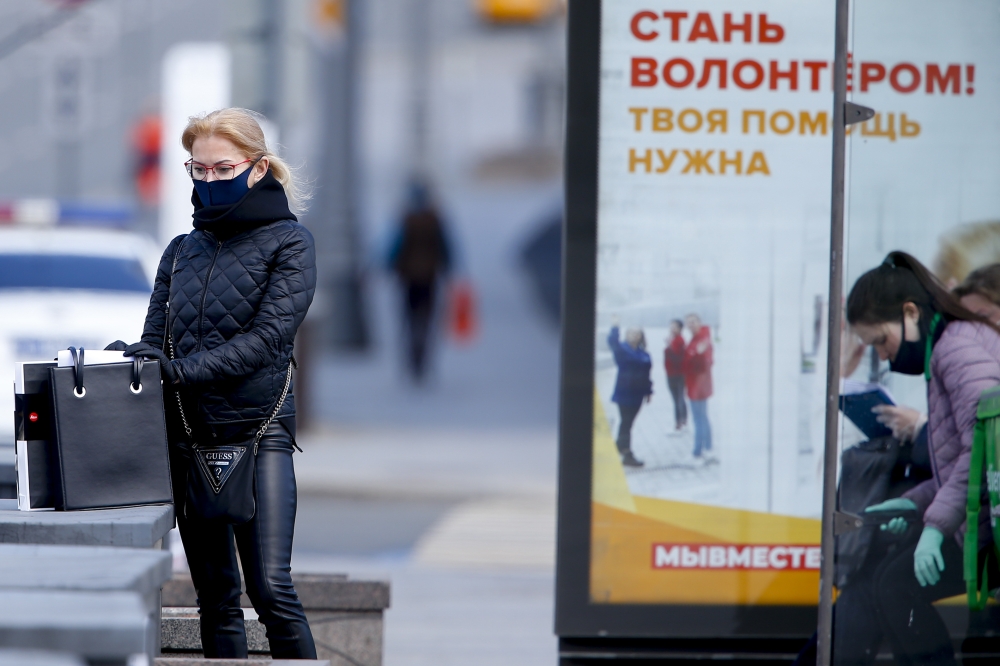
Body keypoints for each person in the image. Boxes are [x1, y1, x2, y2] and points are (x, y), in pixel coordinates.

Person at [116, 108, 317, 659]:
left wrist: (181, 371)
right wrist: (134, 361)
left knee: (271, 590)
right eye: (197, 170)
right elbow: (156, 340)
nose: (209, 180)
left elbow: (269, 338)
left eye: (221, 167)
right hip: (188, 437)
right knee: (217, 598)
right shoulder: (181, 251)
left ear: (256, 168)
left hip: (259, 433)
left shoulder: (290, 244)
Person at [837, 251, 1000, 665]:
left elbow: (983, 447)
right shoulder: (948, 347)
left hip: (988, 525)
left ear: (910, 313)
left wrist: (934, 525)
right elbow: (962, 458)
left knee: (895, 586)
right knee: (891, 584)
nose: (885, 357)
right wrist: (914, 502)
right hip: (983, 520)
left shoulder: (956, 350)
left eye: (880, 342)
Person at [388, 180, 453, 381]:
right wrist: (448, 269)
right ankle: (422, 359)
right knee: (426, 320)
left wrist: (390, 266)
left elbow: (395, 248)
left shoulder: (406, 221)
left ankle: (413, 359)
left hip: (408, 278)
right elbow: (445, 248)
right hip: (430, 278)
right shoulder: (436, 221)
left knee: (409, 321)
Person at [607, 322, 652, 467]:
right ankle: (627, 454)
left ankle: (618, 447)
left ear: (641, 337)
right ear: (626, 335)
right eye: (631, 332)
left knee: (628, 423)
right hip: (625, 394)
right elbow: (612, 342)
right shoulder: (622, 350)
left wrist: (649, 392)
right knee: (626, 423)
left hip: (638, 395)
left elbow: (647, 375)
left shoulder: (644, 353)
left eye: (637, 333)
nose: (635, 335)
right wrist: (615, 327)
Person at [683, 314, 714, 460]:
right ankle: (708, 447)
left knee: (698, 419)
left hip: (697, 386)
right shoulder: (699, 338)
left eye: (693, 322)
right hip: (699, 384)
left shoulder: (701, 339)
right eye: (688, 323)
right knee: (703, 417)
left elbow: (705, 363)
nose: (691, 325)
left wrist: (695, 354)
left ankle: (697, 452)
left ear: (700, 322)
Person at [663, 320, 687, 431]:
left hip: (679, 375)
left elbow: (678, 358)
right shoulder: (673, 339)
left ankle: (679, 422)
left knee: (678, 399)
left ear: (680, 329)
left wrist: (669, 346)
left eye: (675, 327)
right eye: (671, 327)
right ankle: (683, 419)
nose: (672, 329)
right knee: (677, 399)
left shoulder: (680, 340)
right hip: (670, 374)